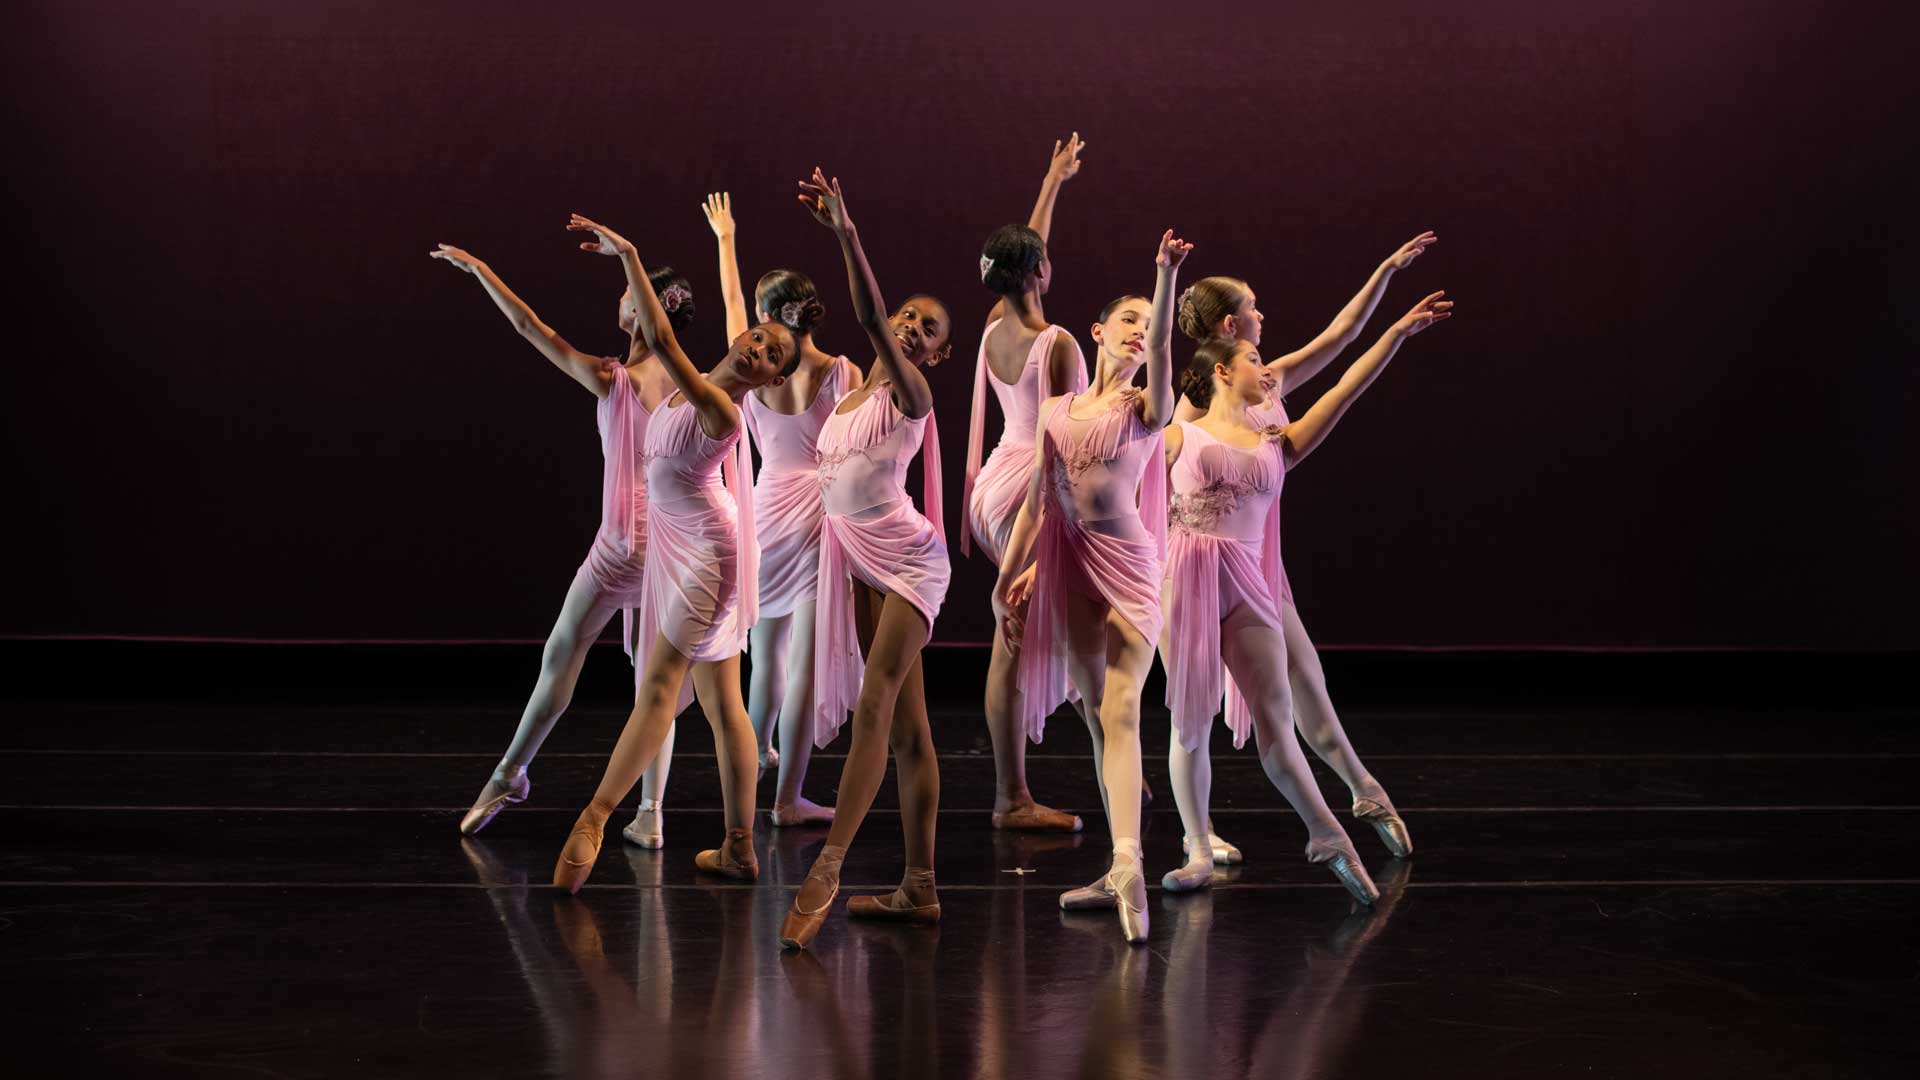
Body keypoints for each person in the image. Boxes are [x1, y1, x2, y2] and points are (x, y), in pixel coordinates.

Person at [1158, 288, 1454, 901]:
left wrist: (1395, 334)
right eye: (1253, 364)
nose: (1269, 372)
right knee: (1190, 722)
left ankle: (1330, 834)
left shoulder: (1278, 442)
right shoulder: (1176, 435)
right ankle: (1197, 848)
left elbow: (1343, 383)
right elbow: (1113, 490)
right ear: (1221, 369)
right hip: (1185, 579)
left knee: (1279, 717)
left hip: (1251, 578)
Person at [552, 212, 803, 893]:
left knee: (660, 686)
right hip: (685, 545)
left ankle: (597, 817)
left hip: (705, 554)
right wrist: (726, 242)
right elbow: (724, 308)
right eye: (758, 337)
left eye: (774, 356)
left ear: (773, 382)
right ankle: (739, 846)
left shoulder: (721, 403)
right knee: (723, 702)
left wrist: (629, 252)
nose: (758, 350)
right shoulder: (722, 367)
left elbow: (661, 338)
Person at [429, 242, 685, 838]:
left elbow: (528, 325)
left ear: (639, 312)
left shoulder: (612, 377)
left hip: (625, 542)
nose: (620, 300)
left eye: (628, 293)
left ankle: (510, 771)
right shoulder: (696, 384)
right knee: (659, 681)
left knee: (562, 654)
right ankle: (650, 814)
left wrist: (483, 268)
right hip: (678, 548)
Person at [995, 229, 1190, 943]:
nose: (1142, 333)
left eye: (1150, 322)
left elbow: (1167, 355)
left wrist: (1164, 274)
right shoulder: (1055, 411)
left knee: (1123, 710)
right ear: (1099, 332)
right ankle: (1119, 863)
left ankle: (1130, 865)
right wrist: (1009, 576)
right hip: (1067, 564)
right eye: (1130, 320)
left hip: (1129, 564)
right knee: (1097, 712)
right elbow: (1037, 502)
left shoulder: (1145, 408)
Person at [779, 170, 954, 949]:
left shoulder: (910, 394)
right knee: (911, 736)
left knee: (874, 705)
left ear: (936, 358)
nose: (912, 329)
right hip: (858, 560)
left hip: (911, 559)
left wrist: (847, 235)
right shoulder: (847, 395)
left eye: (928, 330)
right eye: (910, 318)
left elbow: (869, 315)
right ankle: (920, 887)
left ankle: (831, 865)